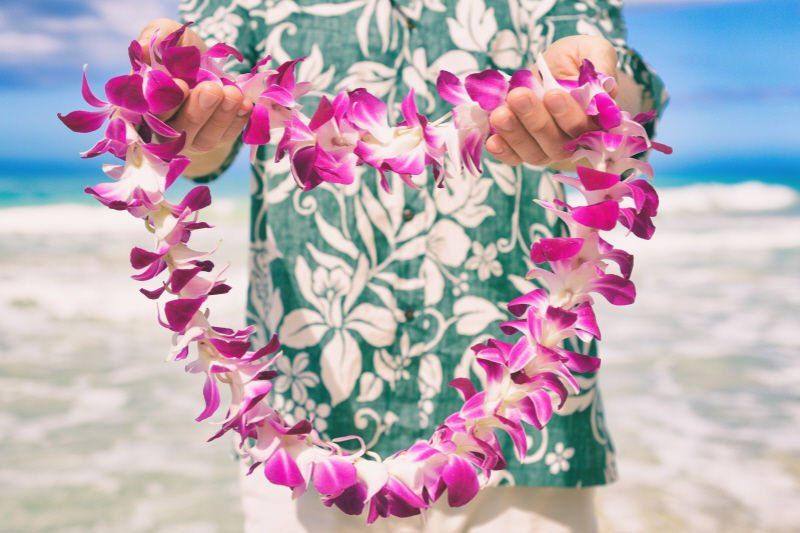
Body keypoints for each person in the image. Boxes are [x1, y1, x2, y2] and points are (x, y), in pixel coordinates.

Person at [139, 1, 667, 531]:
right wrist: (178, 94)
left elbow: (605, 62)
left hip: (527, 436)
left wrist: (597, 89)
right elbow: (203, 139)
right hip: (302, 434)